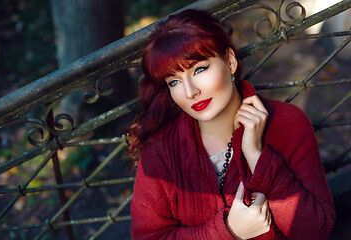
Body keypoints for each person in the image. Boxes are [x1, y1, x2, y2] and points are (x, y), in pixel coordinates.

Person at [126, 9, 335, 240]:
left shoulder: (288, 123)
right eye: (174, 81)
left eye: (200, 69)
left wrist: (258, 158)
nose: (190, 92)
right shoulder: (161, 150)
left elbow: (316, 231)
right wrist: (229, 232)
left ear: (230, 61)